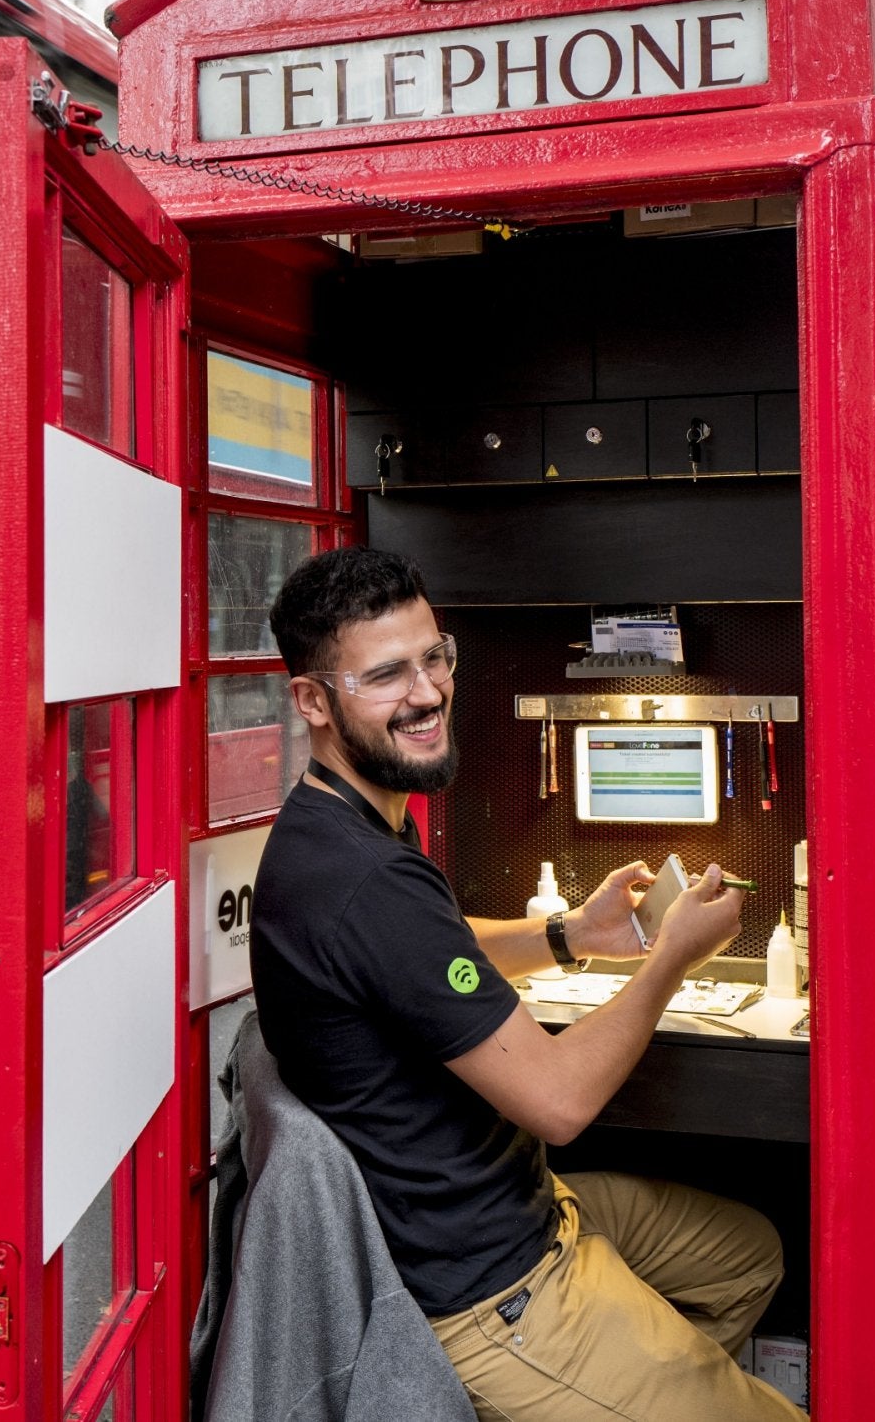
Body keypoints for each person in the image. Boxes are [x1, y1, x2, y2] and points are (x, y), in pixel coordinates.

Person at [252, 547, 806, 1422]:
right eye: (387, 675)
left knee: (750, 1254)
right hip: (490, 1290)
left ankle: (646, 1386)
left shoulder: (332, 828)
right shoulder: (364, 881)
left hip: (531, 1204)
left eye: (435, 656)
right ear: (313, 700)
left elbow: (432, 951)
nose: (429, 692)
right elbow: (557, 1099)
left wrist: (570, 934)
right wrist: (670, 957)